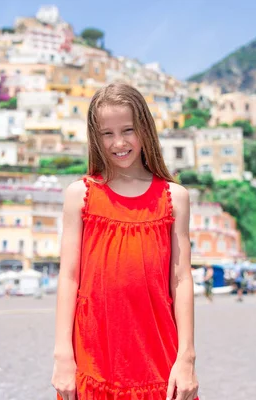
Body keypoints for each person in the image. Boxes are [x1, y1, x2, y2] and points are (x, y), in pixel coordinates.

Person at [51, 83, 199, 400]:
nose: (119, 142)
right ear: (95, 137)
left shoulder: (175, 198)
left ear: (144, 128)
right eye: (107, 133)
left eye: (128, 130)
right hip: (93, 361)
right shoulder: (80, 195)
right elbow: (69, 277)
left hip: (159, 360)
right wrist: (63, 355)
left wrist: (186, 358)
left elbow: (181, 279)